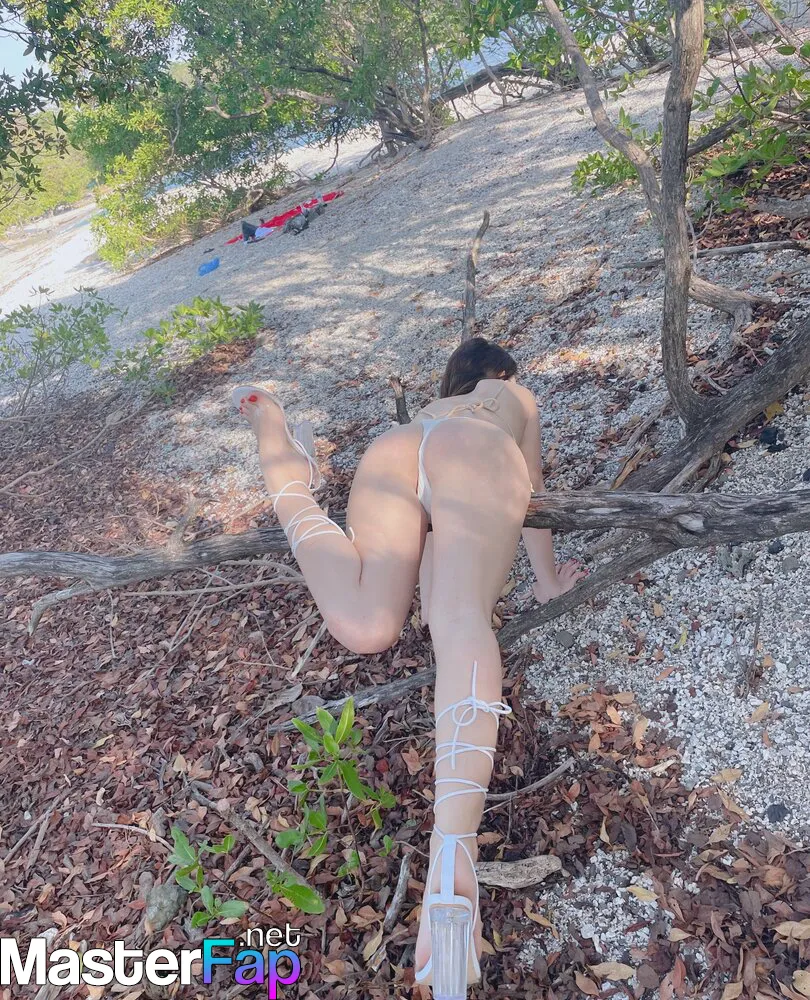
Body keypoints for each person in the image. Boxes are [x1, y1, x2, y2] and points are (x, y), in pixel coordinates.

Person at [232, 337, 583, 998]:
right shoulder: (512, 395)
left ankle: (288, 474)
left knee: (367, 625)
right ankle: (454, 850)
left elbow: (431, 531)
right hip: (473, 452)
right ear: (499, 373)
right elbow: (532, 490)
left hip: (395, 449)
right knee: (460, 622)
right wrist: (544, 581)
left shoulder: (432, 407)